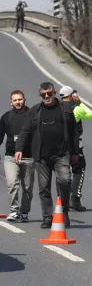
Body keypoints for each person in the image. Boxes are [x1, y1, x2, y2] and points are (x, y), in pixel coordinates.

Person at [15, 81, 78, 229]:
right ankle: (48, 217)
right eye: (44, 95)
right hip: (42, 156)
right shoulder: (35, 111)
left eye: (49, 93)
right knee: (44, 188)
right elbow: (25, 131)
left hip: (62, 154)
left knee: (65, 181)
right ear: (40, 96)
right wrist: (19, 148)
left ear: (55, 93)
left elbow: (74, 131)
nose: (47, 96)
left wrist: (75, 152)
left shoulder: (66, 108)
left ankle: (64, 213)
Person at [58, 86, 92, 212]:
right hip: (75, 145)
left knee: (61, 173)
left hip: (60, 146)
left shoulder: (57, 108)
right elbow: (90, 115)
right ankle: (75, 199)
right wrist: (80, 102)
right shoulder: (76, 109)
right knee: (79, 169)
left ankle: (61, 200)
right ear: (71, 96)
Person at [1, 90, 35, 223]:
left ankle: (25, 212)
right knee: (12, 184)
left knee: (27, 187)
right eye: (15, 100)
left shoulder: (32, 116)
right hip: (10, 157)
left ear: (24, 100)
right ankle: (14, 211)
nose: (18, 102)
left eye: (20, 99)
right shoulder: (6, 117)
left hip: (29, 157)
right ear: (11, 102)